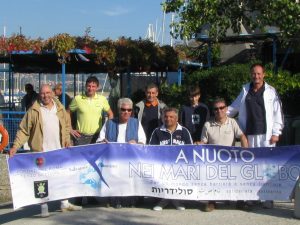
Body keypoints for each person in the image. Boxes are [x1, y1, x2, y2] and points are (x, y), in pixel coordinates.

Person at [9, 84, 82, 217]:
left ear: (53, 94)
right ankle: (44, 207)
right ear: (39, 95)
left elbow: (66, 126)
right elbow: (24, 130)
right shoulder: (33, 110)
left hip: (58, 150)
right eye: (43, 93)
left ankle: (65, 203)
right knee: (42, 180)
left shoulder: (59, 108)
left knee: (62, 176)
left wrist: (66, 139)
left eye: (48, 93)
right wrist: (15, 146)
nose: (46, 96)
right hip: (41, 151)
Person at [228, 63, 284, 209]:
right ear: (250, 74)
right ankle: (252, 196)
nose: (256, 76)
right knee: (251, 167)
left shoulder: (271, 91)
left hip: (267, 136)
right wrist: (220, 114)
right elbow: (234, 108)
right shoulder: (245, 90)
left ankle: (268, 198)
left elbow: (278, 114)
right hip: (249, 135)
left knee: (268, 167)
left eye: (259, 74)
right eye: (254, 73)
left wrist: (276, 133)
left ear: (264, 74)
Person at [200, 98, 248, 212]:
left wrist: (245, 152)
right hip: (213, 160)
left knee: (239, 174)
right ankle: (212, 202)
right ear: (213, 111)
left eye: (221, 108)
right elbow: (203, 142)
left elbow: (242, 136)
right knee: (210, 175)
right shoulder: (207, 124)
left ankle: (241, 201)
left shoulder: (233, 122)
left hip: (230, 159)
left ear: (226, 109)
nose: (219, 110)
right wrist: (198, 143)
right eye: (216, 109)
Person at [97, 98, 146, 208]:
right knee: (115, 178)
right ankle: (115, 200)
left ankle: (131, 200)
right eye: (123, 109)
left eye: (129, 110)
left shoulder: (136, 123)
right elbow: (99, 139)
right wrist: (102, 142)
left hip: (130, 159)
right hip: (113, 159)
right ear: (119, 110)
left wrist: (137, 142)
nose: (126, 112)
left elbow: (143, 141)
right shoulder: (109, 123)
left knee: (129, 179)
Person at [149, 107, 193, 211]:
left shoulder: (184, 131)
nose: (168, 119)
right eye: (166, 116)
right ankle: (164, 200)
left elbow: (190, 150)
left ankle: (176, 200)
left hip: (180, 166)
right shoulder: (157, 131)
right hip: (162, 166)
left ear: (177, 118)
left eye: (171, 117)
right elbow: (151, 150)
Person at [69, 76, 113, 145]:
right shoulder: (77, 99)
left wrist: (107, 130)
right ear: (85, 86)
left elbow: (110, 114)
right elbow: (67, 113)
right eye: (89, 86)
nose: (91, 88)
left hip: (97, 136)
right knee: (79, 156)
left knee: (97, 156)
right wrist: (70, 128)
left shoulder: (102, 99)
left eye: (93, 86)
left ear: (97, 88)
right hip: (80, 137)